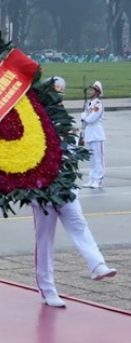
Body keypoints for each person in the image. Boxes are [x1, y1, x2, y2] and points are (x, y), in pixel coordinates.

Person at [32, 77, 117, 308]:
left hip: (65, 185)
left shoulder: (64, 120)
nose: (58, 96)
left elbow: (70, 150)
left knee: (79, 224)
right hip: (42, 188)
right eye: (55, 91)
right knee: (44, 240)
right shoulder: (35, 119)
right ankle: (47, 288)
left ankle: (97, 264)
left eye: (61, 92)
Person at [81, 81, 105, 188]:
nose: (89, 92)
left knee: (98, 158)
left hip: (97, 134)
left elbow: (91, 119)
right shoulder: (89, 104)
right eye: (89, 90)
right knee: (91, 159)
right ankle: (91, 179)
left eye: (92, 90)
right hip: (89, 134)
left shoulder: (98, 105)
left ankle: (98, 179)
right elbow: (85, 121)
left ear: (96, 92)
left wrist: (84, 117)